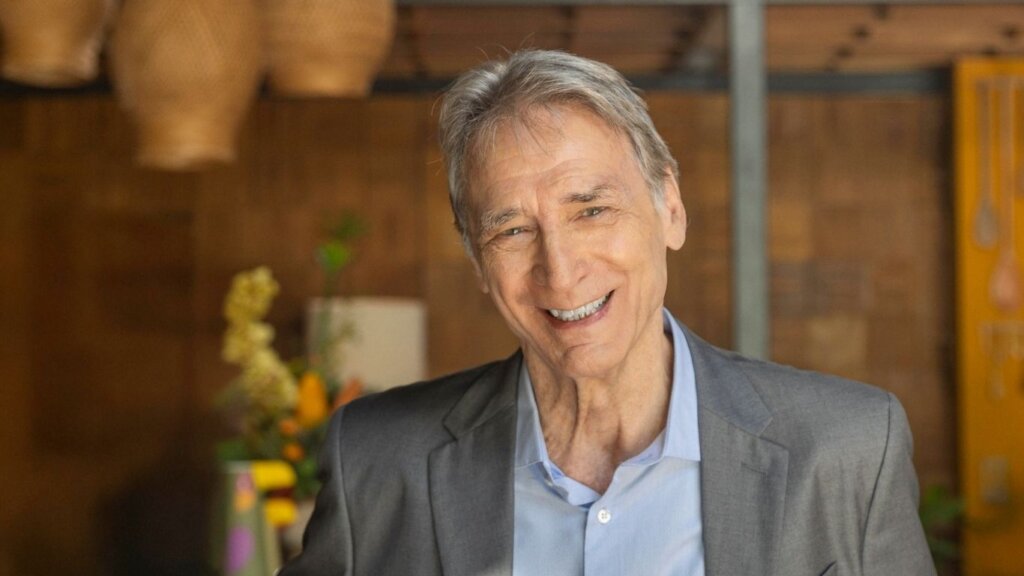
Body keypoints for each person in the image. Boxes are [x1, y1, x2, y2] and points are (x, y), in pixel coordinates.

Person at [280, 49, 935, 576]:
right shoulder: (377, 460)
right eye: (512, 231)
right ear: (477, 260)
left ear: (669, 208)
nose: (561, 271)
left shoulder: (848, 448)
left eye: (591, 210)